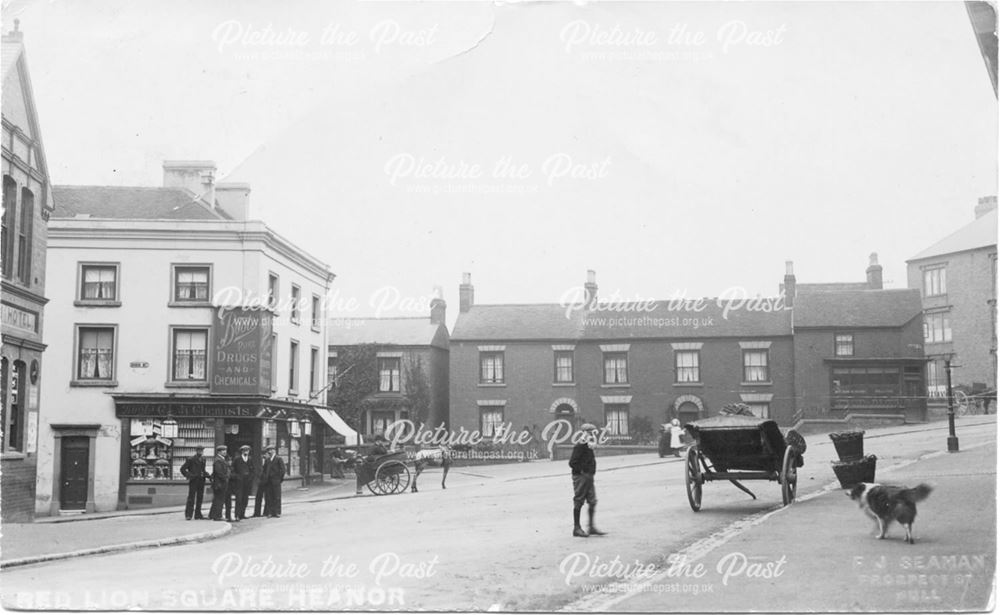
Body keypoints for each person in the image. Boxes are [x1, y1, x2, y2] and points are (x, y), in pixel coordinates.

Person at [568, 423, 605, 538]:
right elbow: (572, 462)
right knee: (579, 501)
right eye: (592, 433)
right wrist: (582, 471)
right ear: (587, 434)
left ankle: (591, 527)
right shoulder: (580, 445)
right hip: (581, 477)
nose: (595, 436)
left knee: (592, 500)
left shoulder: (588, 446)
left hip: (588, 477)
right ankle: (577, 528)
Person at [180, 447, 207, 520]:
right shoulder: (191, 459)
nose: (201, 452)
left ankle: (198, 514)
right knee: (191, 497)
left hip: (201, 480)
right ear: (196, 451)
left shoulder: (203, 459)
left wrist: (208, 475)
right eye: (199, 450)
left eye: (202, 450)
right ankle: (188, 514)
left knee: (200, 498)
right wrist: (189, 475)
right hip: (194, 481)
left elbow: (203, 470)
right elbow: (182, 469)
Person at [262, 444, 286, 518]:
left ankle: (277, 512)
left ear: (274, 450)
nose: (270, 451)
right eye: (268, 450)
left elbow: (283, 470)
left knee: (277, 496)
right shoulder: (267, 460)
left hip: (276, 481)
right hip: (268, 481)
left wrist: (279, 479)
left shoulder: (278, 459)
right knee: (269, 497)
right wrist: (265, 477)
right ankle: (270, 512)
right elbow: (265, 470)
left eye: (271, 450)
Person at [208, 445, 230, 521]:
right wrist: (226, 478)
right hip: (220, 483)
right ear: (219, 452)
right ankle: (218, 516)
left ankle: (212, 515)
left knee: (217, 499)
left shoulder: (221, 459)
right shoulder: (218, 460)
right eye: (223, 450)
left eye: (225, 450)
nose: (225, 452)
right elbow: (219, 472)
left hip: (220, 483)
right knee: (219, 500)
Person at [232, 445, 253, 521]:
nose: (246, 452)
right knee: (239, 499)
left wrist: (250, 478)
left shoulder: (250, 459)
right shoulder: (237, 459)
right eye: (244, 450)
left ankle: (242, 514)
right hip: (239, 482)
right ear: (241, 451)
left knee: (245, 499)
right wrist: (237, 477)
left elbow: (252, 469)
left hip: (247, 482)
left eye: (247, 450)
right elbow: (233, 469)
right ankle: (237, 515)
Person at [252, 449, 268, 518]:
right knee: (258, 497)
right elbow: (256, 470)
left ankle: (266, 512)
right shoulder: (258, 461)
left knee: (267, 497)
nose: (264, 456)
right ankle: (257, 513)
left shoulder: (269, 461)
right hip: (259, 481)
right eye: (263, 454)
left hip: (266, 481)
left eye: (266, 454)